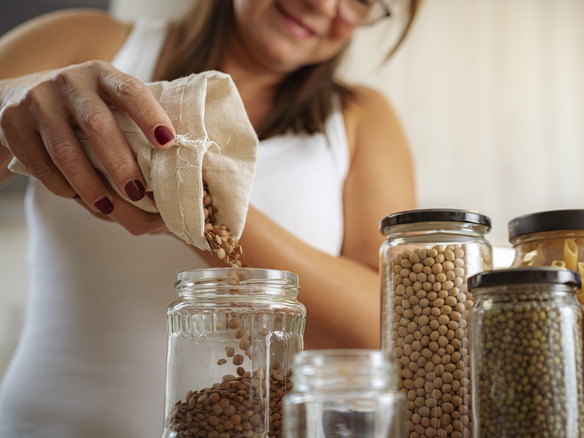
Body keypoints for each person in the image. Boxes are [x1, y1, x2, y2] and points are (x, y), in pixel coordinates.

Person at [0, 0, 420, 435]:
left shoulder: (360, 118)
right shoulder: (89, 43)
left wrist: (186, 197)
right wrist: (11, 99)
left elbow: (385, 327)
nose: (321, 4)